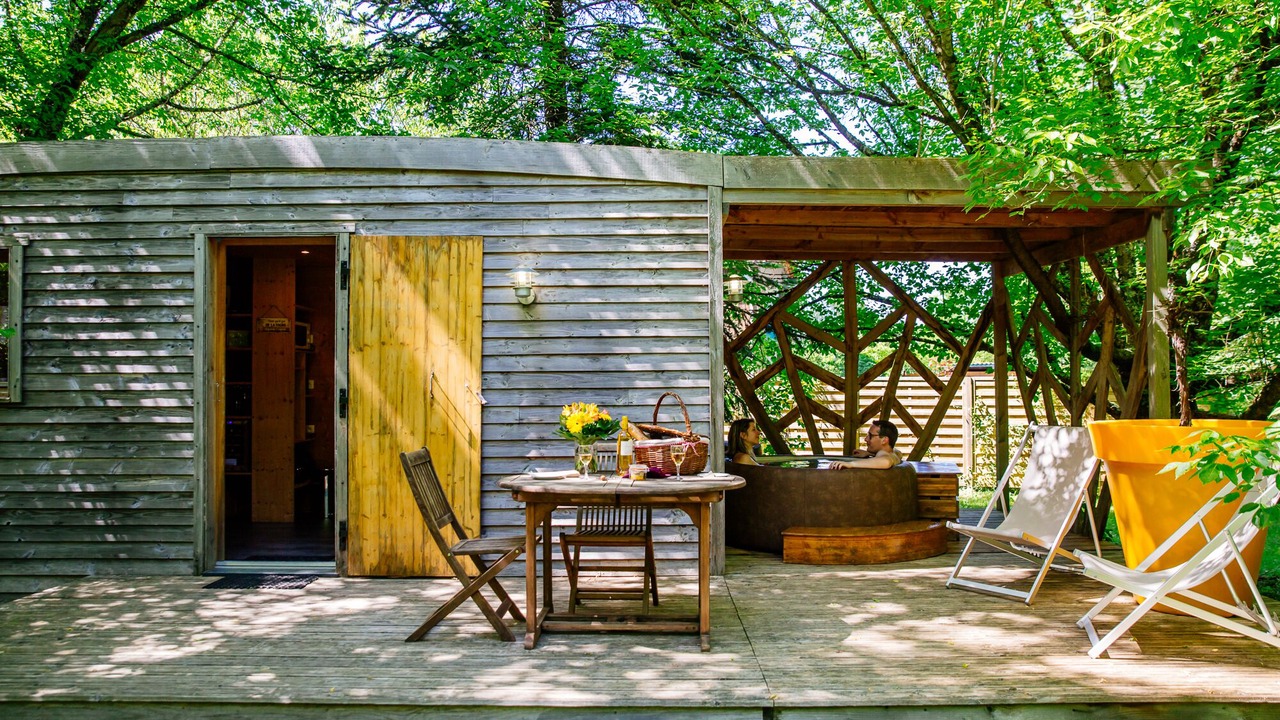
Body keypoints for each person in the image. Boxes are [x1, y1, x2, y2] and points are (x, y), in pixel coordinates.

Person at [829, 420, 902, 470]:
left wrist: (850, 464)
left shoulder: (885, 455)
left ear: (884, 440)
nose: (866, 439)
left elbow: (886, 461)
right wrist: (870, 454)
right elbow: (897, 453)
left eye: (870, 436)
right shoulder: (893, 454)